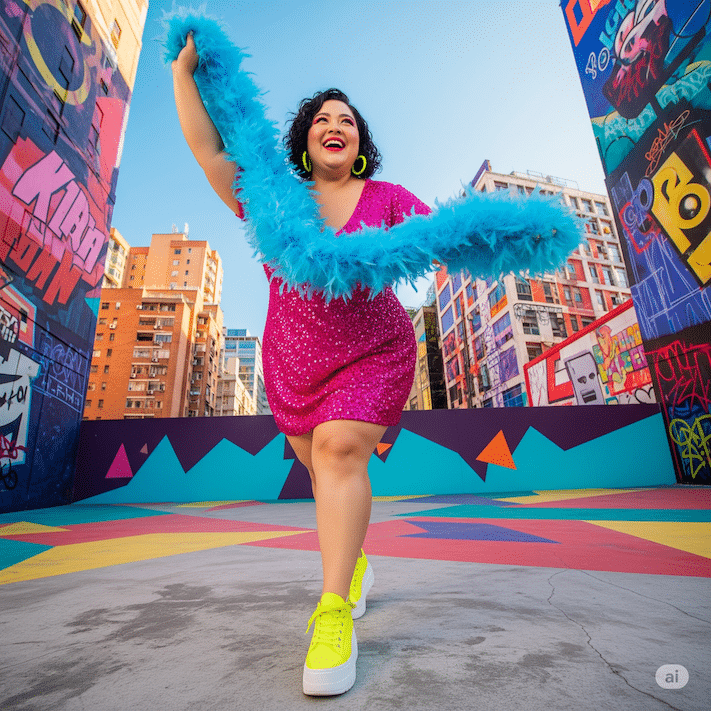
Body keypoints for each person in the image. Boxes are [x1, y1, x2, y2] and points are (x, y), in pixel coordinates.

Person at [172, 33, 430, 696]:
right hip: (294, 362)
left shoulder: (387, 197)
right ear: (304, 140)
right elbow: (210, 151)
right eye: (321, 118)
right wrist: (182, 71)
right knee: (322, 473)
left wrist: (496, 236)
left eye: (347, 119)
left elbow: (438, 237)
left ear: (359, 142)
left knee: (340, 449)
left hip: (373, 350)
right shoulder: (273, 198)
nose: (334, 124)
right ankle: (355, 564)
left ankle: (332, 613)